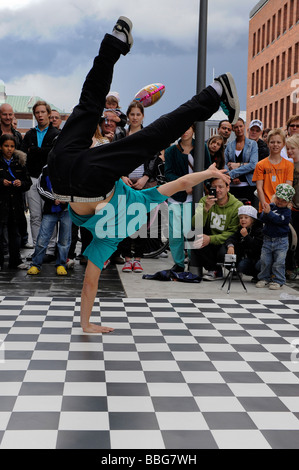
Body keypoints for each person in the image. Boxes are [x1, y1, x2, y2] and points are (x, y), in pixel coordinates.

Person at [47, 17, 240, 333]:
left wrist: (205, 173)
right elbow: (89, 285)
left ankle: (215, 90)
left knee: (153, 134)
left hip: (88, 181)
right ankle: (116, 40)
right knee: (89, 103)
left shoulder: (128, 218)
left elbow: (178, 183)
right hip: (63, 173)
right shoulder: (108, 239)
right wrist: (85, 324)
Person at [121, 101, 159, 273]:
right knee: (125, 222)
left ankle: (138, 259)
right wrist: (121, 176)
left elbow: (153, 157)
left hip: (143, 184)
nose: (135, 117)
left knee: (141, 223)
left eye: (138, 114)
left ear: (143, 116)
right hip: (125, 184)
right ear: (128, 116)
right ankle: (127, 258)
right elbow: (115, 156)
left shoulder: (148, 134)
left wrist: (146, 177)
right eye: (132, 114)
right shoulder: (121, 135)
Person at [21, 100, 60, 258]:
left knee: (49, 215)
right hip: (32, 178)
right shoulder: (30, 134)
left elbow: (53, 154)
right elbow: (23, 154)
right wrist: (42, 151)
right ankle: (39, 249)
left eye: (43, 112)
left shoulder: (56, 134)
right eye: (37, 112)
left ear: (48, 114)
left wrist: (35, 150)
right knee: (35, 216)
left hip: (49, 180)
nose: (40, 115)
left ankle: (50, 249)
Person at [191, 178, 243, 281]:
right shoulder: (204, 200)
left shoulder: (237, 206)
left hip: (227, 242)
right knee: (193, 236)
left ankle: (235, 268)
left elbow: (233, 233)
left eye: (221, 187)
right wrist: (206, 209)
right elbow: (195, 224)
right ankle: (214, 270)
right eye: (214, 187)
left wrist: (210, 239)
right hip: (210, 239)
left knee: (223, 253)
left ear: (228, 188)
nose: (217, 190)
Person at [27, 165, 72, 276]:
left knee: (65, 240)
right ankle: (36, 264)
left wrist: (66, 199)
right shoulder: (47, 168)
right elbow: (40, 187)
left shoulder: (72, 165)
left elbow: (77, 186)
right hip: (50, 209)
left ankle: (61, 264)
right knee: (43, 238)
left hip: (67, 210)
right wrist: (54, 198)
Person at [164, 125, 195, 273]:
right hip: (176, 197)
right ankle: (179, 263)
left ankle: (194, 263)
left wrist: (196, 186)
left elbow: (207, 170)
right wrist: (183, 185)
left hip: (195, 198)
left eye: (188, 127)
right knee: (175, 233)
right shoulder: (171, 151)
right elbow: (168, 173)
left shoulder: (201, 148)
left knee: (192, 232)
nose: (185, 130)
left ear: (194, 129)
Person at [0, 134, 32, 270]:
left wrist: (21, 183)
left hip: (16, 203)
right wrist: (1, 182)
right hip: (1, 202)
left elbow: (28, 182)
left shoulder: (20, 162)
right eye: (6, 146)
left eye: (12, 146)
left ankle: (16, 260)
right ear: (1, 147)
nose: (9, 149)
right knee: (1, 233)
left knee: (15, 233)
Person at [256, 183, 295, 290]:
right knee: (265, 261)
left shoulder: (287, 212)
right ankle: (264, 278)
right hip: (267, 239)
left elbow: (279, 221)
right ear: (275, 196)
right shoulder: (271, 207)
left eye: (284, 200)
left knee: (279, 262)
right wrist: (265, 212)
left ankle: (278, 280)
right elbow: (262, 219)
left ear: (288, 202)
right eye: (279, 198)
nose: (280, 202)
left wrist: (269, 213)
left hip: (281, 241)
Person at [252, 128, 294, 212]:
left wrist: (282, 205)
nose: (275, 145)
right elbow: (259, 188)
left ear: (283, 144)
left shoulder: (289, 165)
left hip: (282, 207)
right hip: (265, 206)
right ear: (267, 143)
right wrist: (265, 205)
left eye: (278, 142)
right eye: (272, 142)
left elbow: (288, 186)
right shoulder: (260, 165)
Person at [225, 117, 258, 203]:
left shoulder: (252, 144)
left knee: (247, 214)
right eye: (236, 127)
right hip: (232, 186)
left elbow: (253, 165)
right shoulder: (229, 145)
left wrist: (234, 172)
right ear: (233, 129)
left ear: (244, 126)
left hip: (248, 186)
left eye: (240, 126)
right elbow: (224, 163)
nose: (239, 129)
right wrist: (232, 177)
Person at [226, 205, 263, 281]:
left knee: (259, 265)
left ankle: (264, 276)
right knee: (242, 266)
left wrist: (246, 236)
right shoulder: (242, 229)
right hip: (250, 257)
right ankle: (256, 276)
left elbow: (257, 247)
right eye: (241, 218)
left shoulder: (259, 229)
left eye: (246, 217)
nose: (243, 220)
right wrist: (230, 246)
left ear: (252, 219)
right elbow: (231, 238)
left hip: (260, 257)